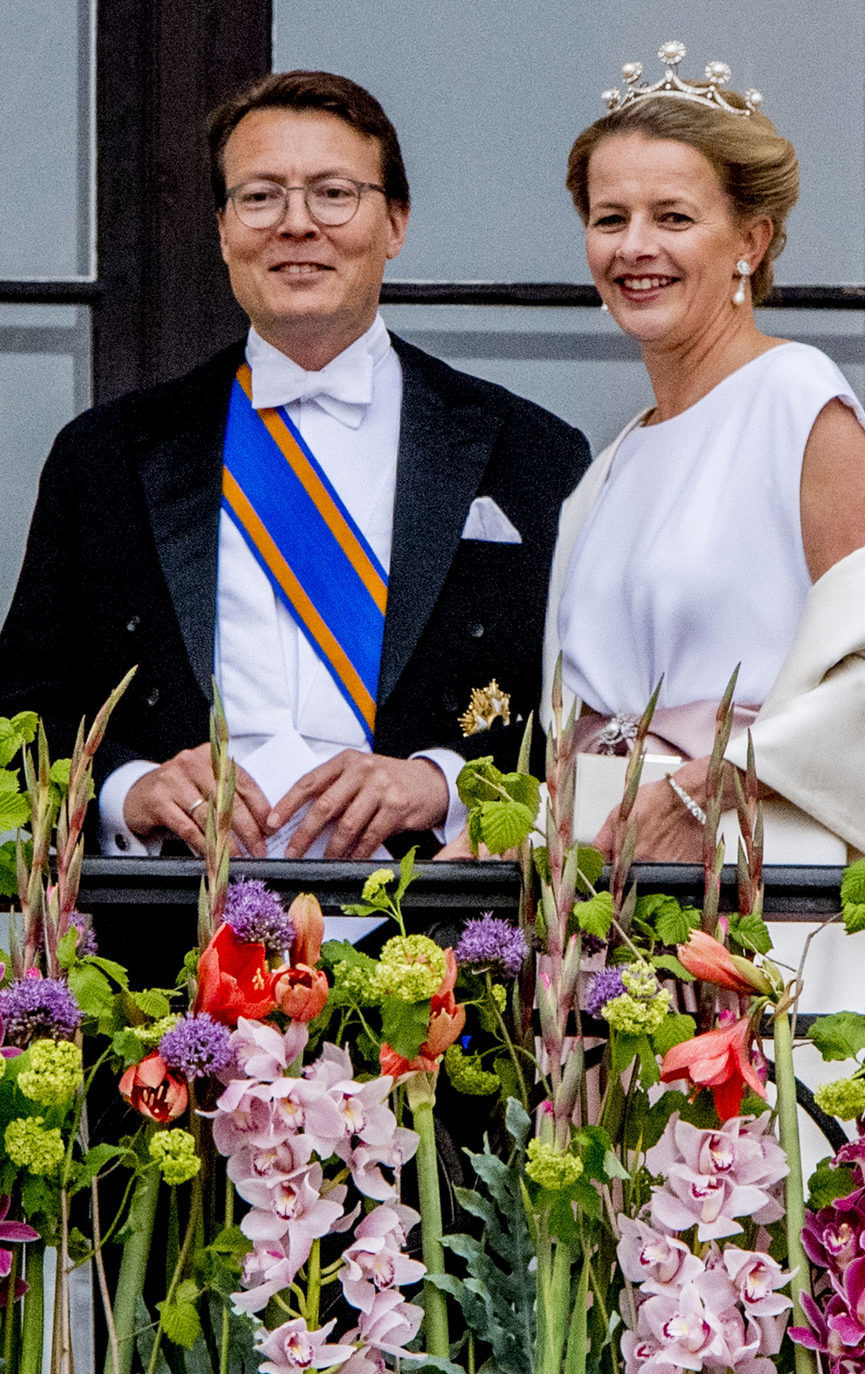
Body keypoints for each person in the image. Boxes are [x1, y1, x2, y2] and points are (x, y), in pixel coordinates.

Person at [0, 71, 591, 863]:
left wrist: (446, 785)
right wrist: (125, 790)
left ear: (396, 223)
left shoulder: (530, 453)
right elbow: (24, 713)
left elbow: (588, 724)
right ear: (221, 229)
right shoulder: (104, 455)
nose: (296, 225)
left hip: (437, 943)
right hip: (168, 933)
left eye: (334, 194)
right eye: (260, 197)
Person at [542, 44, 865, 882]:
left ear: (751, 238)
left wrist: (715, 786)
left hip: (754, 888)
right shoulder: (615, 462)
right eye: (609, 217)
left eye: (672, 217)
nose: (635, 246)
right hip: (604, 903)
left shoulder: (798, 401)